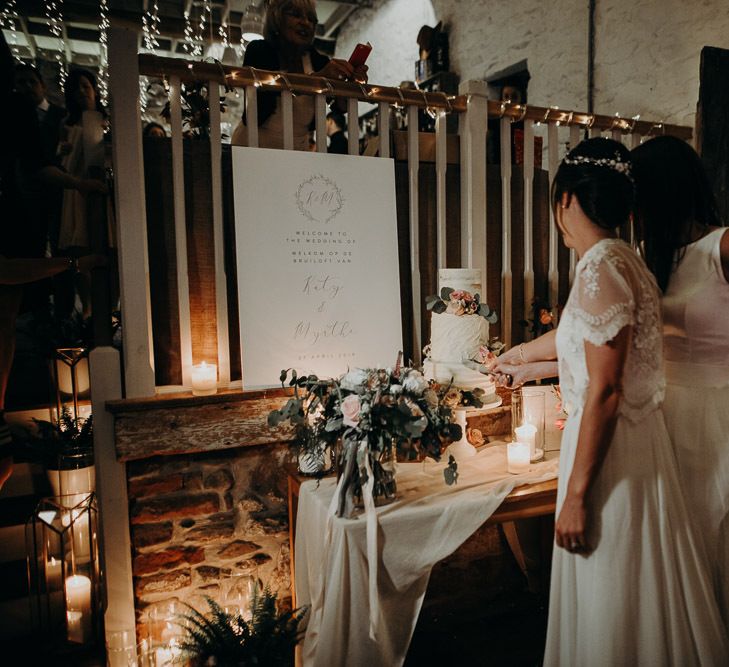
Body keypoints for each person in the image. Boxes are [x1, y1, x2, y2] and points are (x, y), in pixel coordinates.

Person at [491, 138, 728, 664]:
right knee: (651, 580)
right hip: (653, 432)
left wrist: (575, 494)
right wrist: (529, 363)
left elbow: (606, 385)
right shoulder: (638, 260)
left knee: (655, 575)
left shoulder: (616, 263)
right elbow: (611, 353)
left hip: (664, 434)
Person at [632, 135, 729, 628]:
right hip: (662, 413)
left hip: (717, 414)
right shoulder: (653, 253)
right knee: (675, 543)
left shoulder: (723, 245)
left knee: (715, 538)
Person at [0, 34, 105, 490]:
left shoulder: (16, 113)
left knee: (6, 312)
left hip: (21, 215)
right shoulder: (25, 116)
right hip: (26, 214)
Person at [231, 0, 367, 151]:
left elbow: (339, 107)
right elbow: (265, 90)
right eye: (296, 15)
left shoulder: (317, 60)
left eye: (311, 19)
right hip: (253, 145)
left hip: (298, 149)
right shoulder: (258, 50)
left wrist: (349, 84)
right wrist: (318, 78)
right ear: (277, 19)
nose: (305, 23)